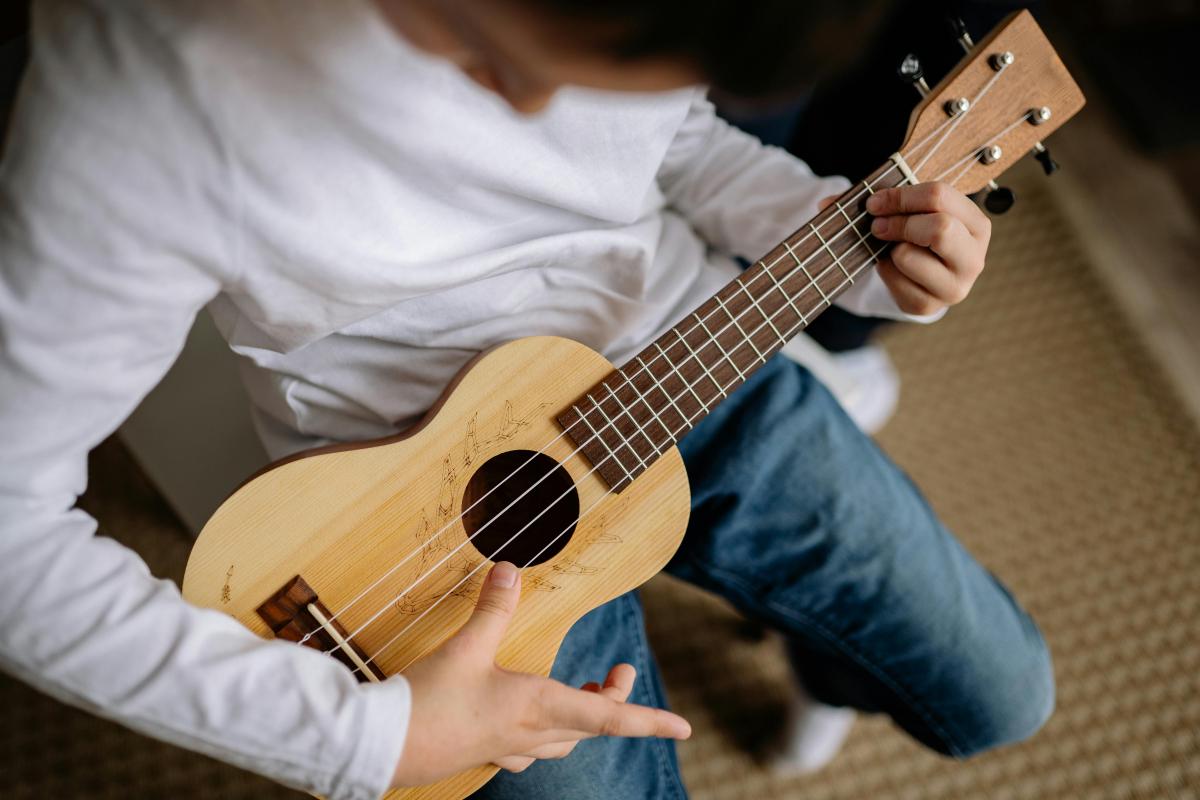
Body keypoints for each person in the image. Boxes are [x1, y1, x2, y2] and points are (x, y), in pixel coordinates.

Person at [0, 1, 1054, 798]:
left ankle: (830, 653)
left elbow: (680, 145)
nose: (537, 111)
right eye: (489, 59)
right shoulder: (143, 92)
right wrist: (373, 738)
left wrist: (863, 250)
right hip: (418, 517)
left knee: (1004, 694)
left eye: (608, 80)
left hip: (685, 355)